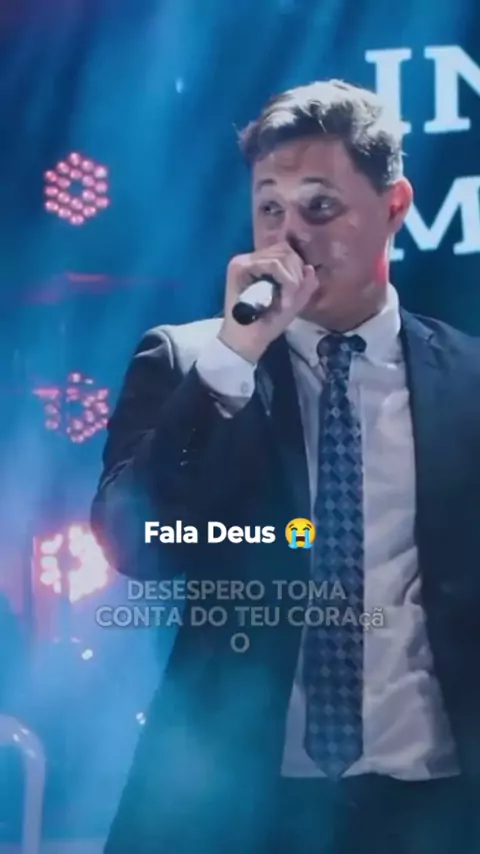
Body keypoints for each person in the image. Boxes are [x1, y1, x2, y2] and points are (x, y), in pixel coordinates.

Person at [91, 79, 480, 854]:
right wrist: (232, 360)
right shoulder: (190, 364)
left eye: (320, 206)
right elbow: (133, 542)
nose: (290, 235)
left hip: (437, 803)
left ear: (395, 206)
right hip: (240, 803)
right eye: (270, 208)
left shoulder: (469, 380)